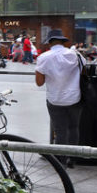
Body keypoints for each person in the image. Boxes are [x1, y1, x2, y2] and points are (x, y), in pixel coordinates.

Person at [35, 30, 82, 168]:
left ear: (49, 43)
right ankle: (72, 159)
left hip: (55, 99)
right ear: (63, 41)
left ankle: (61, 160)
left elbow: (39, 82)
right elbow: (83, 72)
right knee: (74, 127)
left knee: (60, 130)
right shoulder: (76, 55)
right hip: (75, 97)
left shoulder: (43, 57)